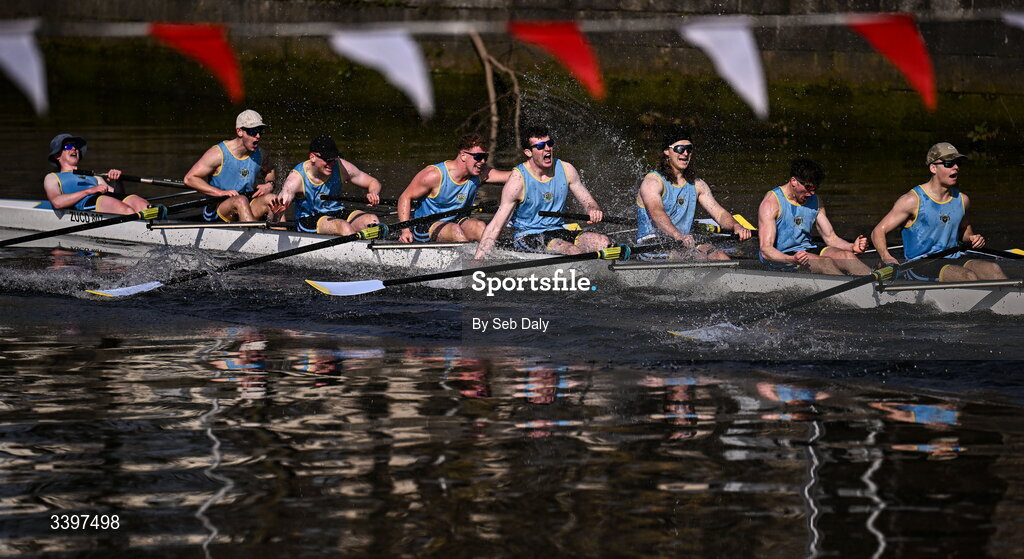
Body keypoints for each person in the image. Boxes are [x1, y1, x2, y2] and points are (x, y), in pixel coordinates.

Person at [870, 142, 1006, 281]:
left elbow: (965, 229)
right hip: (919, 265)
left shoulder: (962, 200)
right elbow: (878, 231)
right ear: (933, 168)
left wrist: (972, 238)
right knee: (967, 276)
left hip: (954, 258)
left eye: (958, 163)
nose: (956, 167)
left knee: (994, 270)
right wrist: (887, 258)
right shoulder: (912, 201)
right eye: (949, 163)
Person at [473, 125, 609, 259]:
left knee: (602, 242)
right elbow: (496, 225)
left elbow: (588, 202)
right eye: (540, 146)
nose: (547, 149)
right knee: (573, 250)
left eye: (549, 143)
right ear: (528, 152)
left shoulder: (567, 169)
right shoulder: (518, 180)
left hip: (558, 229)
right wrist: (478, 260)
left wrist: (593, 210)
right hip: (529, 235)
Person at [636, 127, 752, 260]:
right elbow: (657, 213)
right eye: (680, 149)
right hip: (653, 245)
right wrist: (678, 235)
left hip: (683, 243)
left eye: (689, 149)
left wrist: (736, 226)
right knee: (697, 257)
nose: (685, 153)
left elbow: (719, 214)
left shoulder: (697, 185)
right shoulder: (652, 182)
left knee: (721, 256)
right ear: (667, 151)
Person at [757, 158, 870, 275]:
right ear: (794, 181)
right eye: (808, 188)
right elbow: (766, 250)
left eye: (815, 188)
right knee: (825, 263)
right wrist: (792, 259)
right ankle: (851, 292)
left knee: (848, 256)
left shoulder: (815, 200)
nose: (811, 193)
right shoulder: (771, 203)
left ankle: (878, 286)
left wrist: (852, 246)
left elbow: (831, 238)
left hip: (806, 249)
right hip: (783, 255)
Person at [397, 132, 511, 243]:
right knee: (456, 232)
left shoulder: (480, 174)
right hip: (426, 224)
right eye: (478, 157)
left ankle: (487, 256)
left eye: (485, 157)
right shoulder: (434, 175)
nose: (482, 162)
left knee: (480, 228)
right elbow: (405, 197)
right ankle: (472, 259)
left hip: (458, 219)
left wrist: (529, 163)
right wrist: (405, 231)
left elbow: (515, 177)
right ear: (463, 155)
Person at [184, 109, 279, 222]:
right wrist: (220, 192)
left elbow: (269, 170)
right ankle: (255, 235)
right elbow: (190, 179)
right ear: (239, 131)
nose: (258, 136)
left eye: (260, 131)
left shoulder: (261, 154)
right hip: (218, 208)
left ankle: (281, 234)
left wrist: (270, 184)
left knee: (273, 200)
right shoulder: (218, 154)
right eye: (253, 132)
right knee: (240, 200)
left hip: (246, 204)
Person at [276, 134, 383, 235]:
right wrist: (277, 213)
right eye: (327, 160)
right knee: (344, 227)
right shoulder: (296, 179)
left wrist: (373, 193)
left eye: (334, 159)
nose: (331, 164)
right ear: (313, 157)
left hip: (337, 212)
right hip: (309, 219)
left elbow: (373, 182)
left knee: (372, 221)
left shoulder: (341, 167)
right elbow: (278, 209)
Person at [42, 133, 149, 214]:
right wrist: (90, 191)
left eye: (75, 146)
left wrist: (118, 181)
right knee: (126, 210)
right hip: (86, 203)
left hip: (104, 199)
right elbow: (57, 202)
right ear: (57, 156)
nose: (74, 149)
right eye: (68, 147)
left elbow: (117, 194)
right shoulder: (52, 177)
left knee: (142, 205)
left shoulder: (94, 176)